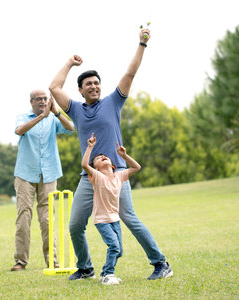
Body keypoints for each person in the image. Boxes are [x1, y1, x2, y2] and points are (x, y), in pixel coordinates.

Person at [49, 28, 173, 280]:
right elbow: (54, 87)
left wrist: (142, 43)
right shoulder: (75, 109)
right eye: (88, 85)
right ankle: (85, 268)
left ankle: (161, 263)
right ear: (81, 91)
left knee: (129, 218)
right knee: (75, 225)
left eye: (96, 83)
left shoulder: (113, 102)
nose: (94, 86)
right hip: (90, 176)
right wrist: (70, 63)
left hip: (115, 173)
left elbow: (130, 72)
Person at [11, 89, 74, 271]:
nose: (42, 101)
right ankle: (21, 261)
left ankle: (52, 260)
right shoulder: (23, 116)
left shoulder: (53, 118)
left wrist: (55, 112)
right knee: (24, 216)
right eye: (38, 99)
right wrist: (41, 117)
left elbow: (70, 129)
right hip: (25, 174)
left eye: (45, 99)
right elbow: (19, 130)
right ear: (31, 102)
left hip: (49, 174)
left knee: (47, 219)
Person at [81, 133, 141, 285]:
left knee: (119, 251)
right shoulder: (97, 177)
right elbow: (84, 165)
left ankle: (104, 273)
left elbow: (137, 167)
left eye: (104, 156)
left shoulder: (119, 177)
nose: (102, 156)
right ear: (96, 169)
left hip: (115, 219)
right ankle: (108, 274)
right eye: (98, 158)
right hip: (102, 220)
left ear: (113, 166)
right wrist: (90, 148)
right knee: (114, 246)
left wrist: (124, 156)